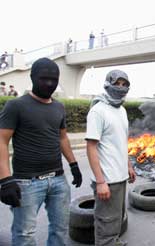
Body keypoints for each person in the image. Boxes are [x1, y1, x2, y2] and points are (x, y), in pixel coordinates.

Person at [0, 57, 82, 246]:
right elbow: (2, 140)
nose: (49, 84)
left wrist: (74, 165)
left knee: (60, 230)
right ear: (33, 77)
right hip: (27, 182)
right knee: (24, 235)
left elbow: (62, 138)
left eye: (54, 80)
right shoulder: (16, 106)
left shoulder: (58, 107)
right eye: (44, 79)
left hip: (58, 181)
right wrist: (5, 180)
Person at [86, 69, 136, 246]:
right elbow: (91, 147)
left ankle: (114, 241)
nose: (121, 88)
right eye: (117, 84)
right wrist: (100, 182)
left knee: (116, 220)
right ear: (108, 84)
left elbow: (121, 142)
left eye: (124, 85)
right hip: (107, 180)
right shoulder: (98, 111)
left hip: (120, 177)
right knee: (106, 225)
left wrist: (128, 166)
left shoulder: (121, 110)